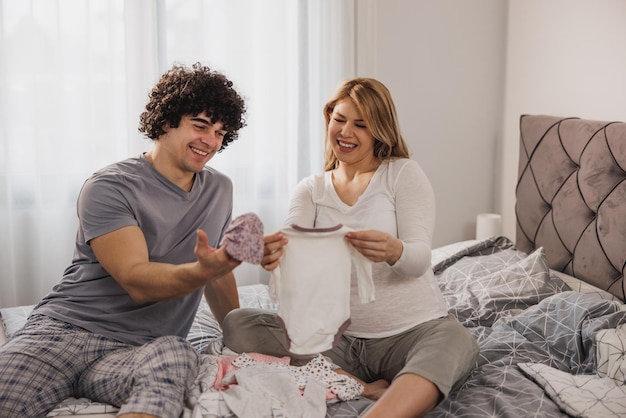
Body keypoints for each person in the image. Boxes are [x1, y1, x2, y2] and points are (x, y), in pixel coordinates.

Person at [0, 62, 247, 418]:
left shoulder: (220, 189)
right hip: (65, 332)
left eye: (221, 133)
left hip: (142, 349)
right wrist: (206, 269)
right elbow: (137, 280)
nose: (210, 141)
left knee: (178, 357)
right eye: (201, 125)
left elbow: (218, 271)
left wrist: (237, 336)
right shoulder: (110, 186)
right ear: (166, 121)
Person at [222, 77, 479, 418]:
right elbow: (291, 245)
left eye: (361, 124)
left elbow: (419, 260)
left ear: (380, 131)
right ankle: (359, 384)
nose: (345, 132)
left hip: (410, 333)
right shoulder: (310, 189)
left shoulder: (402, 174)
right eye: (339, 119)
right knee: (239, 324)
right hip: (335, 340)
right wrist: (276, 256)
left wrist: (393, 250)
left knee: (455, 342)